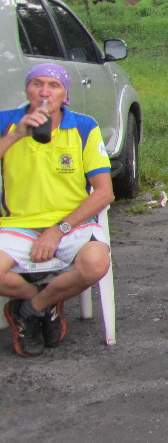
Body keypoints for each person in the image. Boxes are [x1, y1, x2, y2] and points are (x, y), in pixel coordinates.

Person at [0, 64, 114, 357]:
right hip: (18, 223)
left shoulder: (83, 127)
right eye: (37, 84)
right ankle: (38, 299)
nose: (44, 92)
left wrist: (57, 230)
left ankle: (30, 310)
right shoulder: (6, 123)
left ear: (65, 95)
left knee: (95, 263)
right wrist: (16, 135)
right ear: (27, 89)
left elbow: (104, 192)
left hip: (70, 224)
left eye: (53, 86)